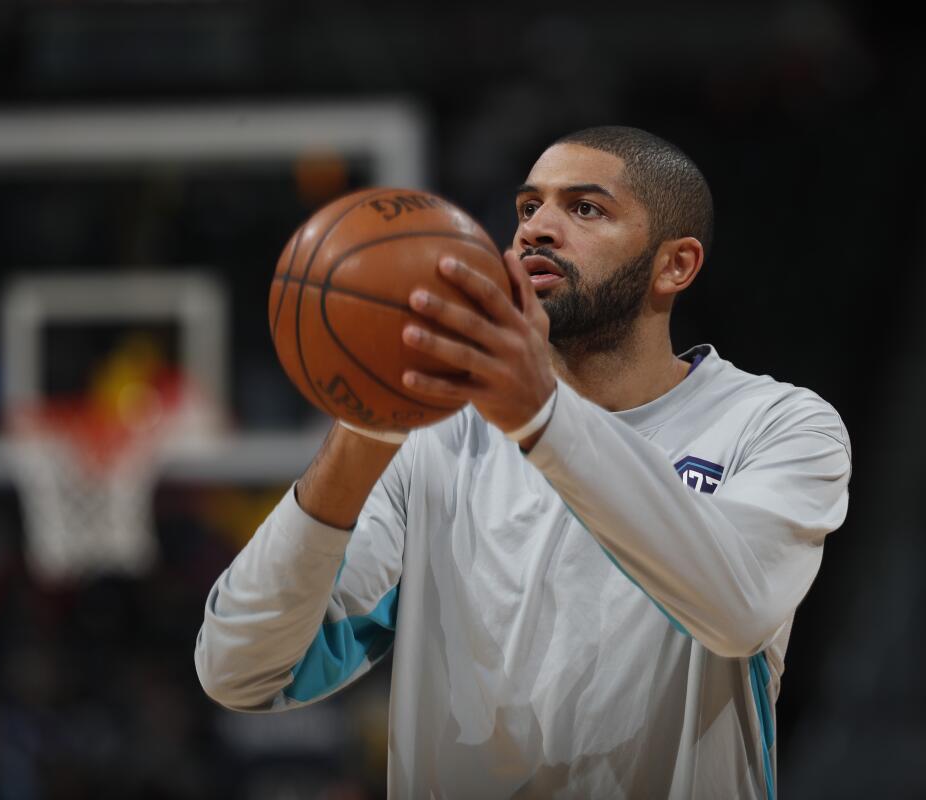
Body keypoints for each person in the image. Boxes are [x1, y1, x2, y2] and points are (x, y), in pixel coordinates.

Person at [195, 126, 852, 799]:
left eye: (585, 208)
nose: (538, 228)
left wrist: (540, 416)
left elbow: (736, 609)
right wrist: (367, 425)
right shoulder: (437, 443)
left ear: (675, 265)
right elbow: (238, 671)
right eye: (528, 208)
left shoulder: (778, 426)